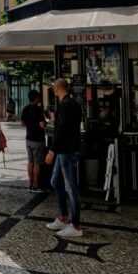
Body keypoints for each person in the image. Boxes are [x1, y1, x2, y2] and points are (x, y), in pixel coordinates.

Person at [45, 78, 84, 237]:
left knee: (71, 187)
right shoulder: (73, 104)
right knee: (55, 181)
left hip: (66, 151)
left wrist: (52, 150)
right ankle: (63, 217)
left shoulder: (66, 105)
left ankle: (76, 226)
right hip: (66, 150)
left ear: (56, 88)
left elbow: (62, 130)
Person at [21, 89, 48, 193]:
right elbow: (42, 124)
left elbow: (22, 124)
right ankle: (36, 185)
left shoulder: (26, 108)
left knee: (30, 162)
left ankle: (30, 184)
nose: (40, 98)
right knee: (37, 163)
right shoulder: (38, 110)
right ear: (36, 98)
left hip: (28, 139)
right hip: (37, 139)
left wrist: (30, 123)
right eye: (39, 97)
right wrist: (45, 122)